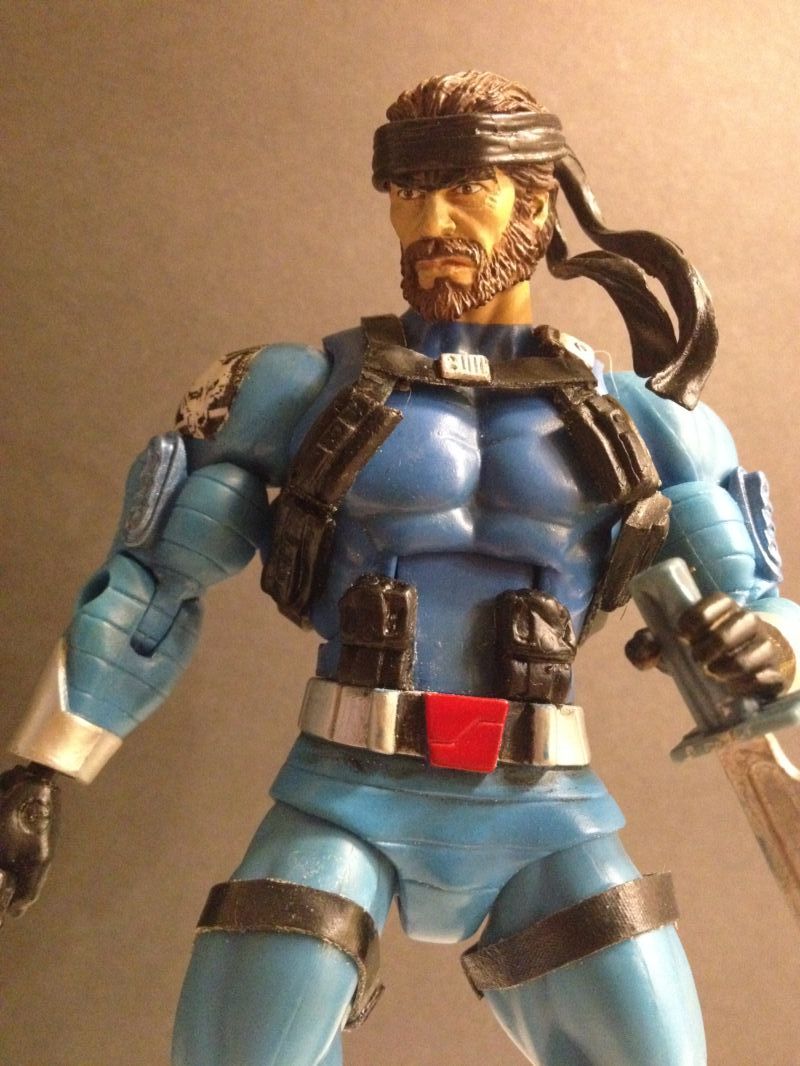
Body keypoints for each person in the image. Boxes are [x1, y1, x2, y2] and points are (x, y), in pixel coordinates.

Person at [3, 71, 798, 1066]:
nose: (431, 223)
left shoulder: (642, 420)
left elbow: (757, 604)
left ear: (536, 200)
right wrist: (42, 766)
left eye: (464, 189)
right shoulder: (296, 389)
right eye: (408, 192)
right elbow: (156, 581)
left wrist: (765, 650)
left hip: (543, 807)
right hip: (346, 794)